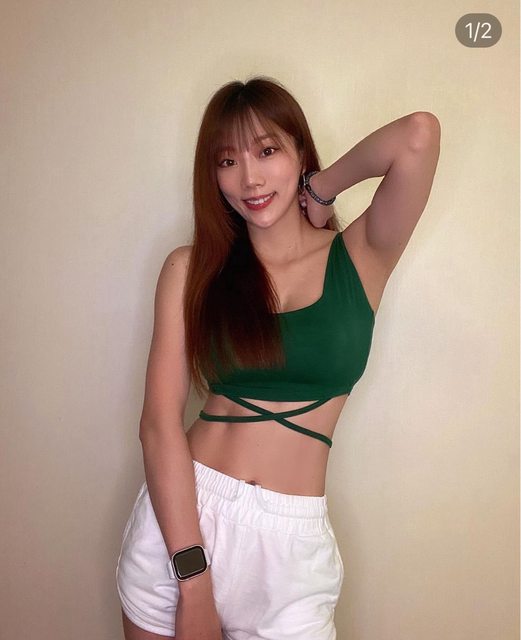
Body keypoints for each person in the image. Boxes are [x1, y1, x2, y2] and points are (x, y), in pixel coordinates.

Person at [115, 76, 441, 639]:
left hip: (290, 549)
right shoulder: (190, 270)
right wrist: (193, 583)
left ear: (300, 154)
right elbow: (158, 425)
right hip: (184, 527)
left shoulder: (360, 256)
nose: (250, 178)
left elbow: (418, 135)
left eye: (268, 151)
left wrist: (322, 188)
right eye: (227, 161)